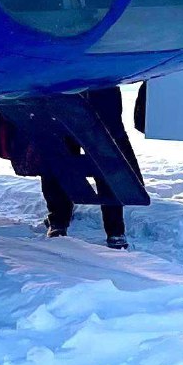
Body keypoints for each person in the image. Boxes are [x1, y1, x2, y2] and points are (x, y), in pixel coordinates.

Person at [40, 85, 130, 248]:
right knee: (58, 153)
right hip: (63, 85)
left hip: (96, 84)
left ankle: (115, 230)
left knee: (106, 155)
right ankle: (58, 220)